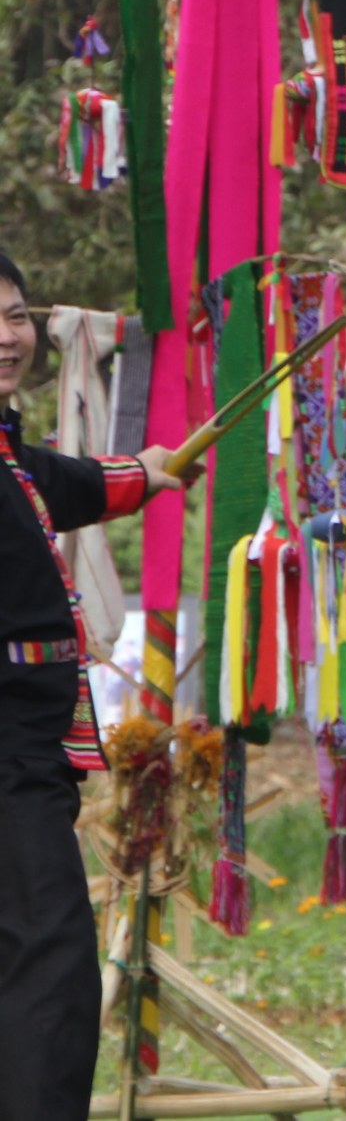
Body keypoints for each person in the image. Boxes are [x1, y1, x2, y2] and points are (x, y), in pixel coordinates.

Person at [0, 250, 187, 1121]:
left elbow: (43, 481)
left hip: (28, 749)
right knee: (49, 961)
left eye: (14, 314)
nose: (8, 337)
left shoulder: (7, 449)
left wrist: (143, 474)